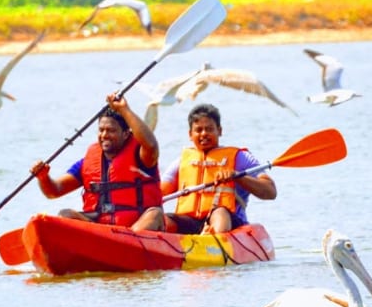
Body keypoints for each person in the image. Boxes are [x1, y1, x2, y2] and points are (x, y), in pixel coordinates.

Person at [30, 92, 164, 231]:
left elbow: (151, 146)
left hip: (137, 230)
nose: (104, 135)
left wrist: (124, 109)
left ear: (125, 134)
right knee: (65, 215)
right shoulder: (87, 162)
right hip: (102, 230)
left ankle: (130, 245)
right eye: (101, 130)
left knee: (155, 214)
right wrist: (43, 177)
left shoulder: (142, 157)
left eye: (111, 130)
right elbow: (54, 191)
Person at [161, 103, 276, 234]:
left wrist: (238, 176)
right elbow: (158, 193)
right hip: (189, 222)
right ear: (190, 134)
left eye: (209, 129)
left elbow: (270, 191)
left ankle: (214, 242)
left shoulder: (240, 157)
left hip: (228, 222)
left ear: (219, 131)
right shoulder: (181, 162)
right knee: (161, 218)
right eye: (198, 130)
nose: (204, 134)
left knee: (220, 212)